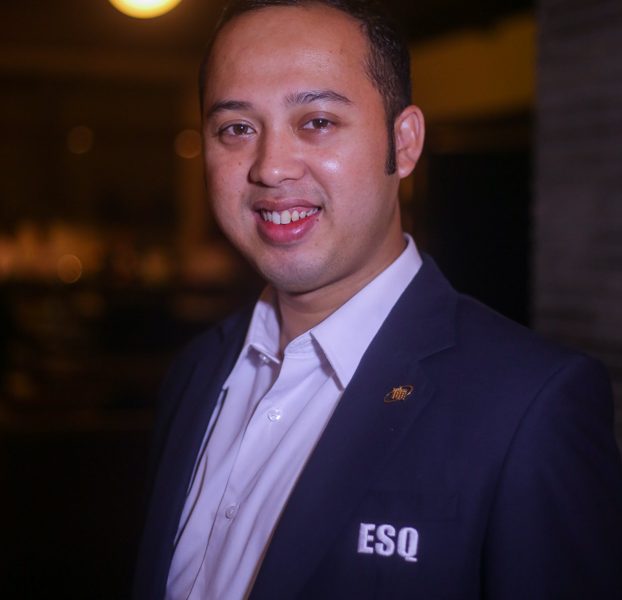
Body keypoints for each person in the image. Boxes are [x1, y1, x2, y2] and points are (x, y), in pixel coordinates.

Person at [133, 1, 622, 598]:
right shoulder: (196, 370)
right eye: (237, 129)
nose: (271, 168)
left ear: (404, 142)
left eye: (317, 121)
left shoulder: (531, 406)